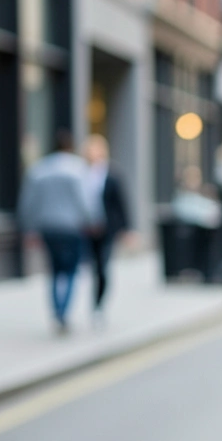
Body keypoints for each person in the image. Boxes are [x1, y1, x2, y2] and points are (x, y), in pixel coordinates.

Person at [18, 130, 95, 334]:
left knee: (54, 271)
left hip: (48, 227)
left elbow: (28, 202)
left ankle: (56, 311)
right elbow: (85, 200)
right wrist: (91, 221)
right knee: (70, 271)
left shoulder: (39, 169)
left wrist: (29, 228)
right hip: (72, 228)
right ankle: (63, 312)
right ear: (70, 146)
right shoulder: (78, 169)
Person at [84, 135, 132, 325]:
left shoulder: (112, 175)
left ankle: (98, 305)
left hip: (106, 229)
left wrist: (127, 229)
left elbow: (121, 203)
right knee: (92, 268)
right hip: (87, 229)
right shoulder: (82, 174)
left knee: (102, 267)